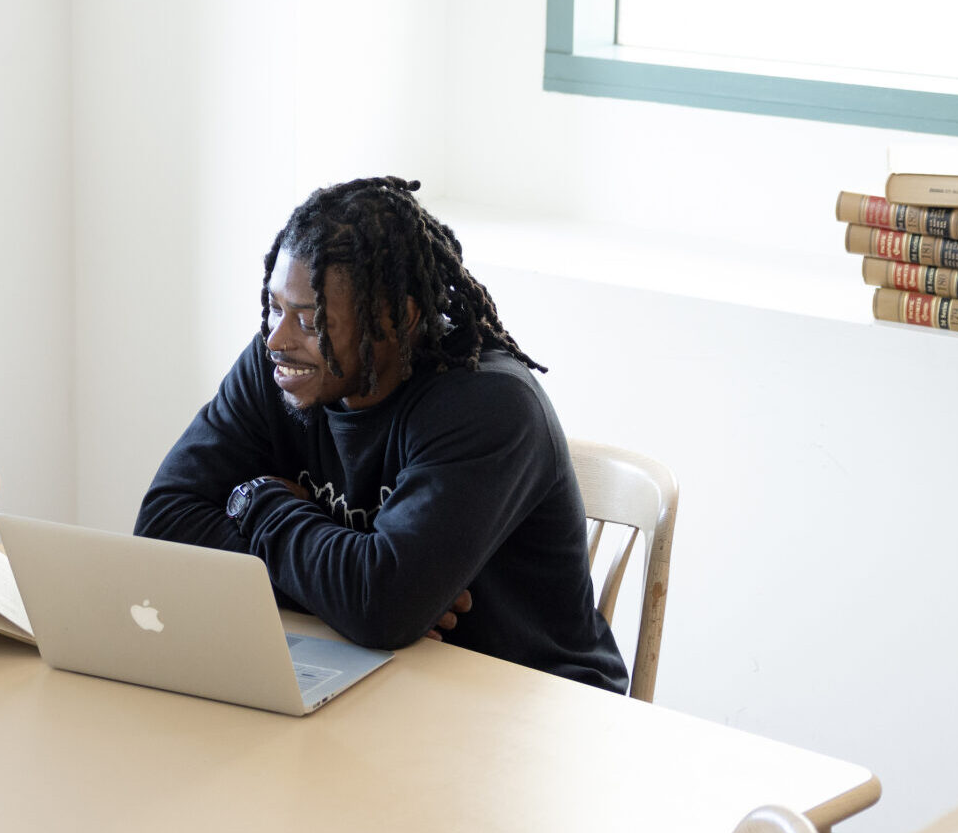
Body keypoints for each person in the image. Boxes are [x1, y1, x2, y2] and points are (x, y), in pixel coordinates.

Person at [135, 176, 628, 692]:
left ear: (396, 317)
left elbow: (379, 607)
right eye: (275, 307)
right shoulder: (277, 369)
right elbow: (163, 525)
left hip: (535, 703)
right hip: (385, 679)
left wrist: (257, 501)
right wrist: (341, 585)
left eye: (309, 320)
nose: (276, 338)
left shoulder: (489, 406)